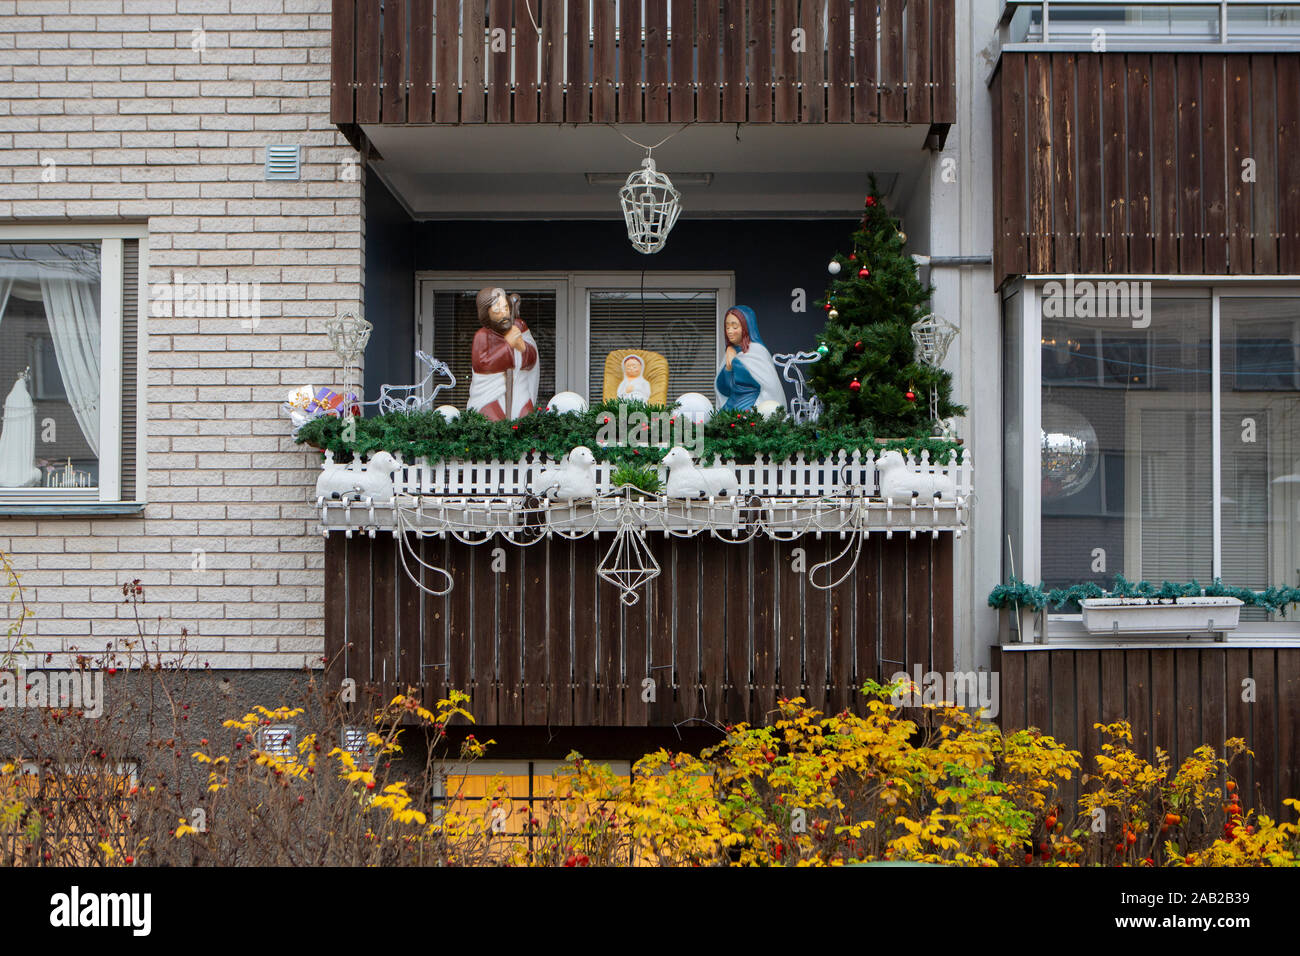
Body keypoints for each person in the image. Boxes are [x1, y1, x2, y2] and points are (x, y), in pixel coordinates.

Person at [467, 287, 540, 421]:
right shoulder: (482, 336)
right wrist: (508, 346)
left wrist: (522, 347)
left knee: (526, 420)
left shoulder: (517, 329)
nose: (504, 314)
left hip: (518, 389)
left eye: (506, 308)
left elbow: (531, 361)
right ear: (486, 314)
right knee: (490, 422)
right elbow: (483, 365)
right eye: (497, 311)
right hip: (489, 394)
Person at [715, 305, 786, 412]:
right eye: (727, 327)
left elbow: (771, 387)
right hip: (729, 408)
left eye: (735, 327)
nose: (729, 331)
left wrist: (734, 361)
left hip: (751, 408)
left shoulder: (757, 351)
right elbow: (725, 389)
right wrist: (728, 367)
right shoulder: (730, 353)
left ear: (746, 327)